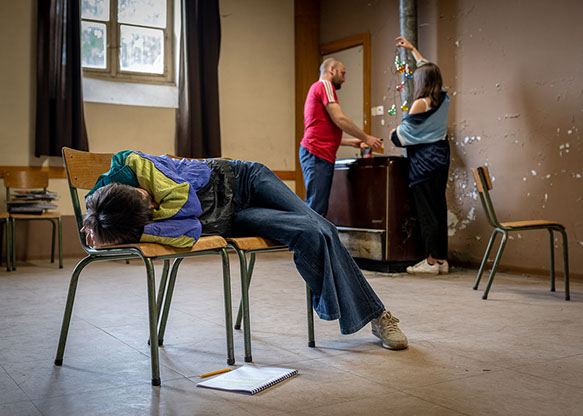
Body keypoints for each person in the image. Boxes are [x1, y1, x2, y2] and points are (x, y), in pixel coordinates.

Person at [82, 151, 408, 350]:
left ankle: (378, 316)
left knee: (323, 227)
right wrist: (143, 227)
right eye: (150, 212)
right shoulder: (121, 220)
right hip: (232, 220)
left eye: (147, 198)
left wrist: (150, 217)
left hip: (245, 180)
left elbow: (188, 204)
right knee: (309, 232)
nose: (154, 206)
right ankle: (365, 312)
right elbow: (191, 230)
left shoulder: (129, 165)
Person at [391, 36, 450, 275]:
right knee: (439, 209)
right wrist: (413, 50)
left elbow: (403, 135)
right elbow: (429, 68)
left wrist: (393, 133)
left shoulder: (420, 104)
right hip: (441, 161)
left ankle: (431, 262)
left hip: (424, 164)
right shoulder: (444, 99)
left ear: (422, 82)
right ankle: (442, 260)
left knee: (426, 213)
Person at [299, 57, 383, 216]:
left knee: (316, 205)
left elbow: (320, 131)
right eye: (342, 73)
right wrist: (367, 138)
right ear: (332, 70)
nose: (344, 79)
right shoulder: (325, 85)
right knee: (316, 209)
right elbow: (340, 119)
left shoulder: (316, 88)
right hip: (317, 154)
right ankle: (308, 234)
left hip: (314, 153)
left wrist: (350, 142)